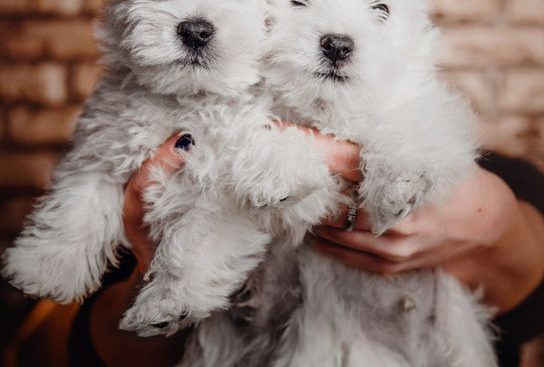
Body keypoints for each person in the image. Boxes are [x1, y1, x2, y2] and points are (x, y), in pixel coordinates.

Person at [69, 129, 544, 367]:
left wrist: (498, 223)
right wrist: (162, 277)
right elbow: (96, 351)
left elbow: (530, 306)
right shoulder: (186, 166)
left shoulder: (499, 174)